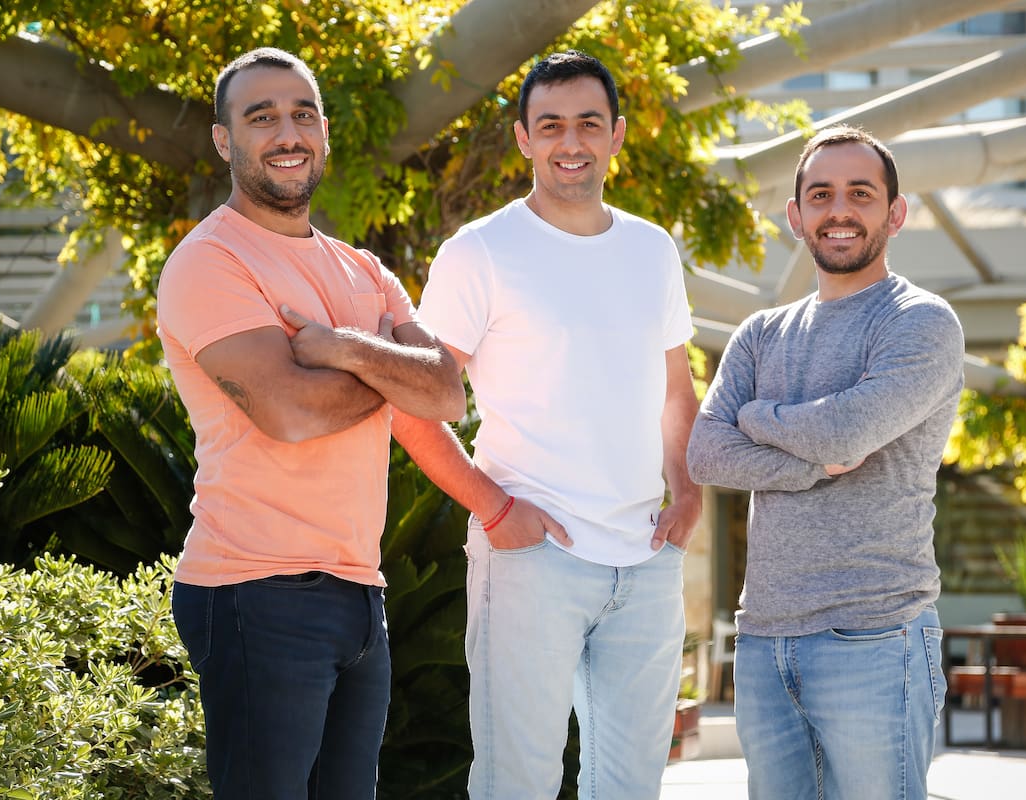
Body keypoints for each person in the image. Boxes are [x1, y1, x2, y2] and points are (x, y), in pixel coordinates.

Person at [387, 50, 701, 800]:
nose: (571, 141)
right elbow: (412, 403)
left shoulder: (652, 249)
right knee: (516, 786)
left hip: (646, 561)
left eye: (589, 123)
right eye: (551, 124)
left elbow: (676, 389)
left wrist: (688, 494)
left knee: (632, 789)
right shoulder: (480, 252)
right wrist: (495, 510)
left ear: (616, 134)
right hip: (532, 559)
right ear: (524, 138)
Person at [156, 48, 465, 800]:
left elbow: (446, 392)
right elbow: (291, 413)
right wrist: (388, 368)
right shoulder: (211, 262)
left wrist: (343, 350)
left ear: (323, 131)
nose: (287, 133)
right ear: (225, 140)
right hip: (255, 590)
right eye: (261, 117)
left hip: (360, 593)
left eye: (302, 114)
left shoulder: (365, 270)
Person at [686, 124, 964, 800]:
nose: (840, 210)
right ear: (796, 215)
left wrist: (756, 416)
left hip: (876, 635)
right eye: (821, 195)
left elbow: (845, 433)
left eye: (860, 193)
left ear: (895, 213)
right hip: (764, 639)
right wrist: (808, 465)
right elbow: (706, 452)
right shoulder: (760, 333)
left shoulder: (921, 322)